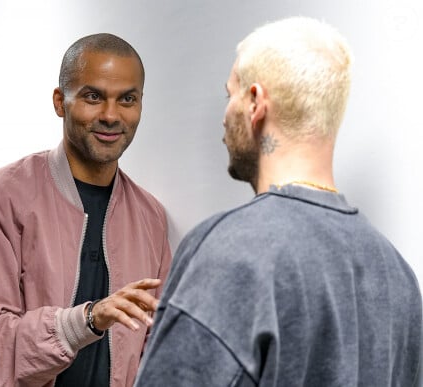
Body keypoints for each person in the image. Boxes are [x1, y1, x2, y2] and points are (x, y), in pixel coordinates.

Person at [134, 16, 421, 387]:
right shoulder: (397, 276)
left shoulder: (230, 252)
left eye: (230, 94)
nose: (224, 117)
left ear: (255, 102)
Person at [0, 33, 172, 387]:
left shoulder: (150, 218)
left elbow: (152, 348)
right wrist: (85, 321)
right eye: (93, 96)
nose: (110, 115)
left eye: (127, 99)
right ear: (61, 102)